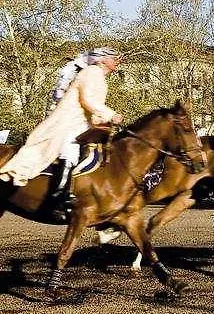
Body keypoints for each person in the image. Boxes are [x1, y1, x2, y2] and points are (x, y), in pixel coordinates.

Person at [0, 47, 124, 220]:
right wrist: (111, 114)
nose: (117, 61)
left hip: (80, 122)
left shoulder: (99, 76)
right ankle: (58, 199)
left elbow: (91, 108)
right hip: (68, 121)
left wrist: (103, 122)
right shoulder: (92, 72)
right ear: (103, 60)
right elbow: (88, 100)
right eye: (114, 58)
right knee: (70, 150)